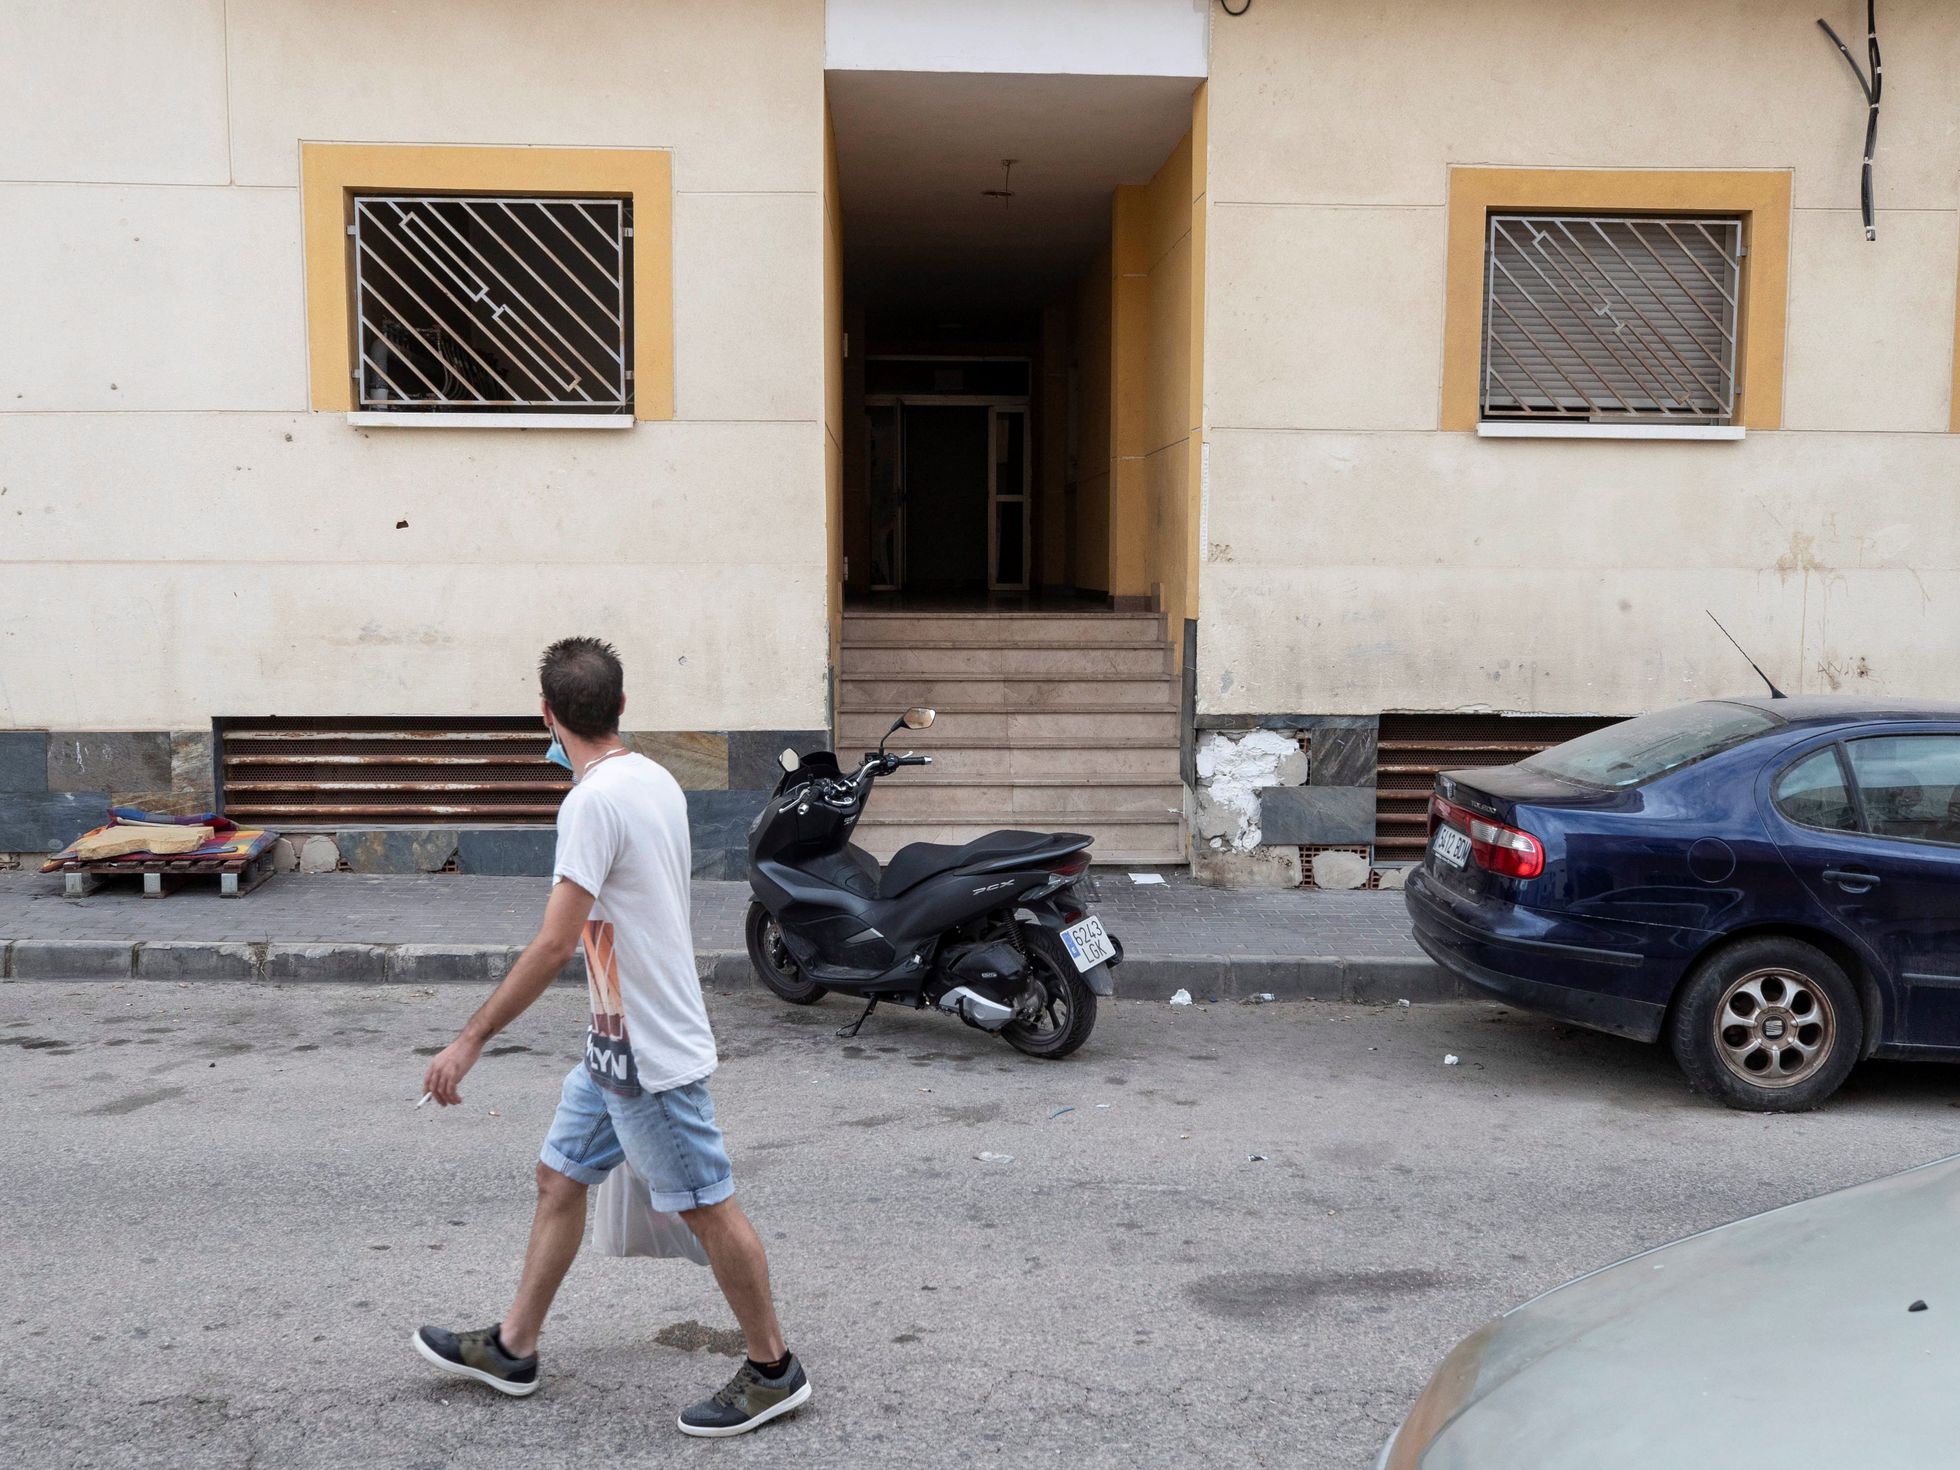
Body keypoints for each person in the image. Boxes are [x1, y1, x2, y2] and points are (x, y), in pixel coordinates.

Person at [409, 636, 810, 1438]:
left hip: (649, 1053)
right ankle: (514, 1348)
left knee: (707, 1206)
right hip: (613, 1039)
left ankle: (773, 1369)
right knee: (559, 1177)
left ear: (549, 717)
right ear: (622, 706)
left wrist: (471, 1038)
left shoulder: (590, 802)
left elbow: (557, 941)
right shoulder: (653, 778)